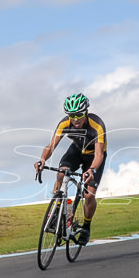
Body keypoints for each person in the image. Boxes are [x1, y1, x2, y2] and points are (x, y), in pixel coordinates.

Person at [34, 93, 106, 246]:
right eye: (72, 115)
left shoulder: (97, 124)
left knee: (88, 195)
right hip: (76, 150)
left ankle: (86, 226)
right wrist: (42, 159)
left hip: (94, 157)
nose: (76, 119)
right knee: (61, 173)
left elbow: (99, 154)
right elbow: (50, 146)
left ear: (86, 112)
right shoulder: (64, 124)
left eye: (79, 114)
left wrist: (91, 169)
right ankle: (58, 209)